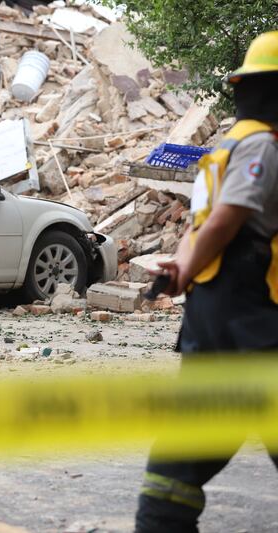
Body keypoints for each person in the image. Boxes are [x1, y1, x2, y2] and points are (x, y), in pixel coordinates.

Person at [135, 31, 278, 533]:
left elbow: (200, 224)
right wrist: (189, 269)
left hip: (216, 310)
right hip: (249, 311)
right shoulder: (262, 144)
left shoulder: (225, 148)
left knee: (199, 434)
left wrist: (180, 269)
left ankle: (161, 521)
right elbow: (226, 221)